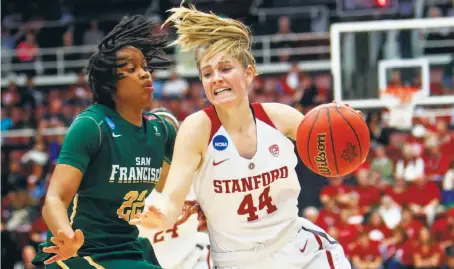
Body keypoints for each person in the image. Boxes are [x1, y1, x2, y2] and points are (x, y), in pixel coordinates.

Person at [130, 5, 351, 269]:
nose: (217, 79)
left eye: (225, 68)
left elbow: (326, 141)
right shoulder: (197, 129)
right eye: (208, 73)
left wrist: (346, 123)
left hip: (296, 250)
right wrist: (159, 215)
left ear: (248, 73)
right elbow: (171, 200)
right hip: (234, 261)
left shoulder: (280, 117)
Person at [31, 15, 177, 269]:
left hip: (129, 246)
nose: (144, 74)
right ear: (111, 85)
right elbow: (54, 198)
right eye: (131, 70)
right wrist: (66, 235)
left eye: (144, 67)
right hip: (80, 252)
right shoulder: (93, 125)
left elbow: (189, 179)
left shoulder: (160, 129)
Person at [139, 107, 212, 269]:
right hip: (148, 263)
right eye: (158, 133)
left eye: (170, 133)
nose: (164, 139)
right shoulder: (131, 184)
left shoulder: (197, 174)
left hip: (191, 258)